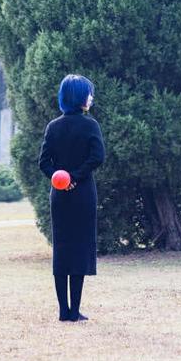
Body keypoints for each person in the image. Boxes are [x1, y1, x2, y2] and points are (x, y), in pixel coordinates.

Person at [38, 73, 106, 322]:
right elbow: (97, 157)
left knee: (62, 248)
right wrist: (76, 177)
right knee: (79, 249)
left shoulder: (53, 127)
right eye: (88, 92)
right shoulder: (91, 125)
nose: (91, 97)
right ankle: (74, 311)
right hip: (83, 194)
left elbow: (44, 162)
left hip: (59, 196)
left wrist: (60, 177)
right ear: (79, 97)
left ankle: (62, 311)